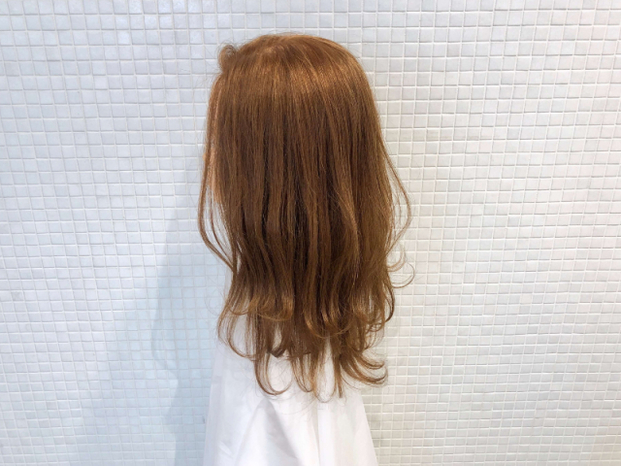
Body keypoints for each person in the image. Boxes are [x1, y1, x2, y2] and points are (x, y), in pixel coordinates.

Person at [197, 32, 412, 466]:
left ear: (271, 178)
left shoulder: (271, 381)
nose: (209, 160)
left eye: (221, 145)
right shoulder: (313, 323)